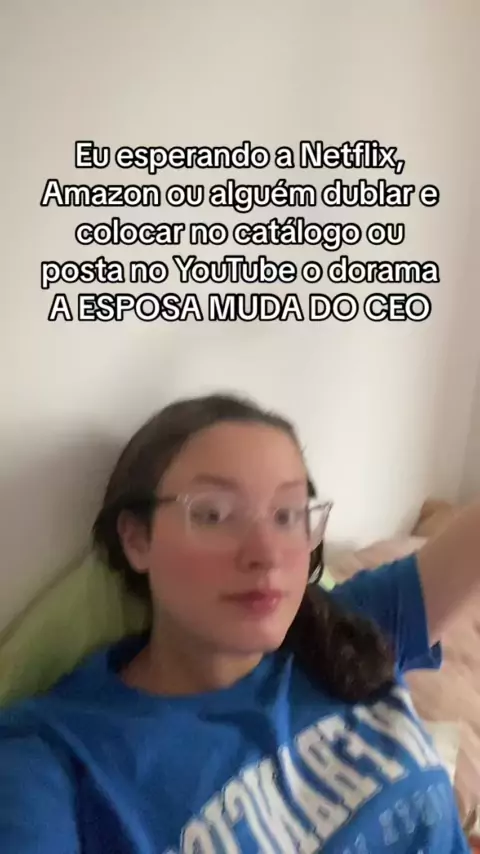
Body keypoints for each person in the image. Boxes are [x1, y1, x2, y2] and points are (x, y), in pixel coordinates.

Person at [0, 392, 478, 854]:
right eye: (215, 514)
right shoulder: (53, 759)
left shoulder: (343, 631)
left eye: (287, 515)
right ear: (137, 539)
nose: (266, 554)